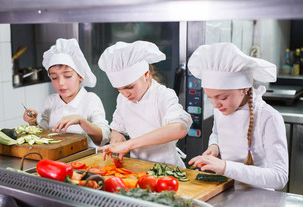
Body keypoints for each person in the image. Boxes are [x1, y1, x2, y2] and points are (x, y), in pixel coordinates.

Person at [187, 42, 288, 190]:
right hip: (227, 191)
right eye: (210, 97)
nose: (215, 105)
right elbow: (216, 133)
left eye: (222, 97)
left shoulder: (269, 117)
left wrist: (225, 166)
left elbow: (279, 177)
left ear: (244, 88)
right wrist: (214, 146)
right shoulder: (221, 109)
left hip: (259, 200)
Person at [97, 40, 192, 167]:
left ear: (146, 74)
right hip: (139, 167)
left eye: (129, 87)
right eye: (119, 89)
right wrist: (117, 137)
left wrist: (130, 144)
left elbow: (180, 128)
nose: (125, 94)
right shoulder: (122, 99)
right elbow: (117, 129)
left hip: (169, 168)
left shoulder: (163, 95)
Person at [23, 38, 110, 148]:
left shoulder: (90, 100)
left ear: (80, 76)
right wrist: (33, 122)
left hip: (84, 162)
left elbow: (102, 139)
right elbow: (42, 134)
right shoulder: (50, 101)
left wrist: (81, 121)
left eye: (67, 76)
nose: (61, 83)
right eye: (54, 77)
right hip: (55, 160)